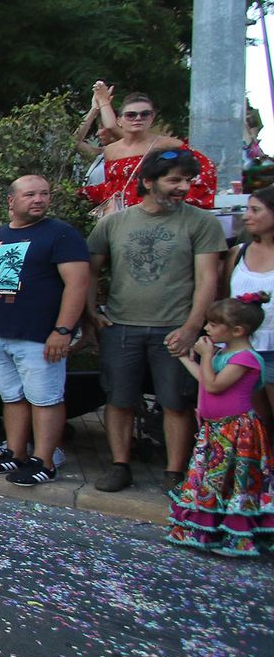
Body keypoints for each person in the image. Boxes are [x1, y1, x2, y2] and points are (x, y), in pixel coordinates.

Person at [88, 150, 225, 494]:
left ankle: (174, 473)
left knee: (176, 402)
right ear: (148, 182)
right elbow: (89, 270)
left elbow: (208, 279)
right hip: (121, 326)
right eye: (174, 180)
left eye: (187, 180)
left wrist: (193, 327)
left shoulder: (201, 222)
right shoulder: (114, 223)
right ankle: (120, 466)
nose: (183, 187)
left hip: (175, 328)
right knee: (118, 399)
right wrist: (92, 313)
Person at [0, 175, 91, 486]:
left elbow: (77, 284)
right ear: (12, 201)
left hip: (39, 335)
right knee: (11, 397)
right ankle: (16, 453)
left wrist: (63, 330)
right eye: (30, 194)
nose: (38, 199)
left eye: (44, 194)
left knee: (45, 398)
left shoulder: (61, 235)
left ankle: (45, 461)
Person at [166, 294, 274, 556]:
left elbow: (214, 385)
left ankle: (235, 536)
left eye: (214, 324)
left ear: (238, 330)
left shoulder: (245, 358)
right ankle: (209, 531)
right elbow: (205, 380)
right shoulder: (225, 353)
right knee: (213, 482)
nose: (207, 328)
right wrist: (184, 358)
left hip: (236, 431)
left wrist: (204, 356)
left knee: (233, 482)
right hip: (216, 429)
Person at [78, 84, 216, 214]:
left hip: (157, 217)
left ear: (152, 118)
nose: (138, 118)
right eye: (131, 115)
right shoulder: (110, 150)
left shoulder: (168, 146)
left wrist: (176, 201)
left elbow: (206, 170)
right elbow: (111, 187)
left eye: (145, 114)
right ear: (120, 120)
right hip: (120, 219)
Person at [223, 185, 274, 421]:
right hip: (243, 349)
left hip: (272, 346)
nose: (246, 216)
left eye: (255, 210)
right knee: (254, 420)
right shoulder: (238, 253)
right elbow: (225, 299)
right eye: (247, 209)